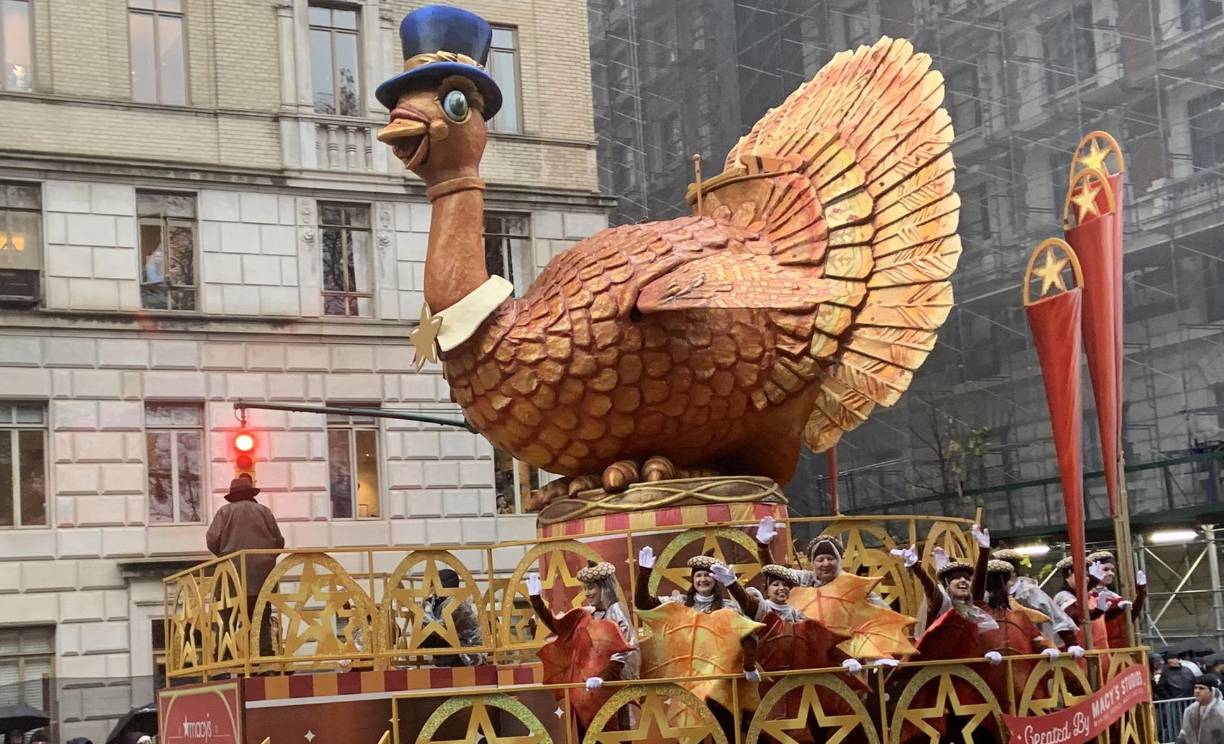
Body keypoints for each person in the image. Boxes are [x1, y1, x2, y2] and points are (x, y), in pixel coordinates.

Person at [528, 561, 639, 736]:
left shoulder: (616, 611)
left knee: (612, 736)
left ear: (604, 587)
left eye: (591, 587)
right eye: (585, 588)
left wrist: (603, 677)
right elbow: (559, 626)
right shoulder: (589, 614)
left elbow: (625, 650)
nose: (587, 593)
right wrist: (537, 601)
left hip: (610, 693)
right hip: (587, 693)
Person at [206, 476, 285, 658]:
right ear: (251, 494)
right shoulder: (265, 512)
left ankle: (225, 654)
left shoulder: (225, 512)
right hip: (262, 579)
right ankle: (263, 654)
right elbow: (279, 542)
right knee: (261, 618)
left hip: (232, 578)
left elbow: (212, 540)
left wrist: (225, 555)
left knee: (228, 616)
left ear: (232, 496)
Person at [993, 548, 1081, 652]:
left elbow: (1055, 615)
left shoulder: (1030, 592)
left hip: (1034, 648)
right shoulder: (989, 595)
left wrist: (1071, 643)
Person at [419, 568, 485, 666]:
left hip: (468, 652)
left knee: (428, 637)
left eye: (434, 585)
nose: (431, 589)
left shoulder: (457, 603)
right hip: (454, 645)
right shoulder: (439, 601)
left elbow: (441, 627)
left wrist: (421, 615)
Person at [1176, 674, 1224, 744]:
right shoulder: (1190, 710)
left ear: (1213, 691)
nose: (1197, 691)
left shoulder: (1222, 710)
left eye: (1201, 688)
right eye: (1195, 688)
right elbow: (1184, 732)